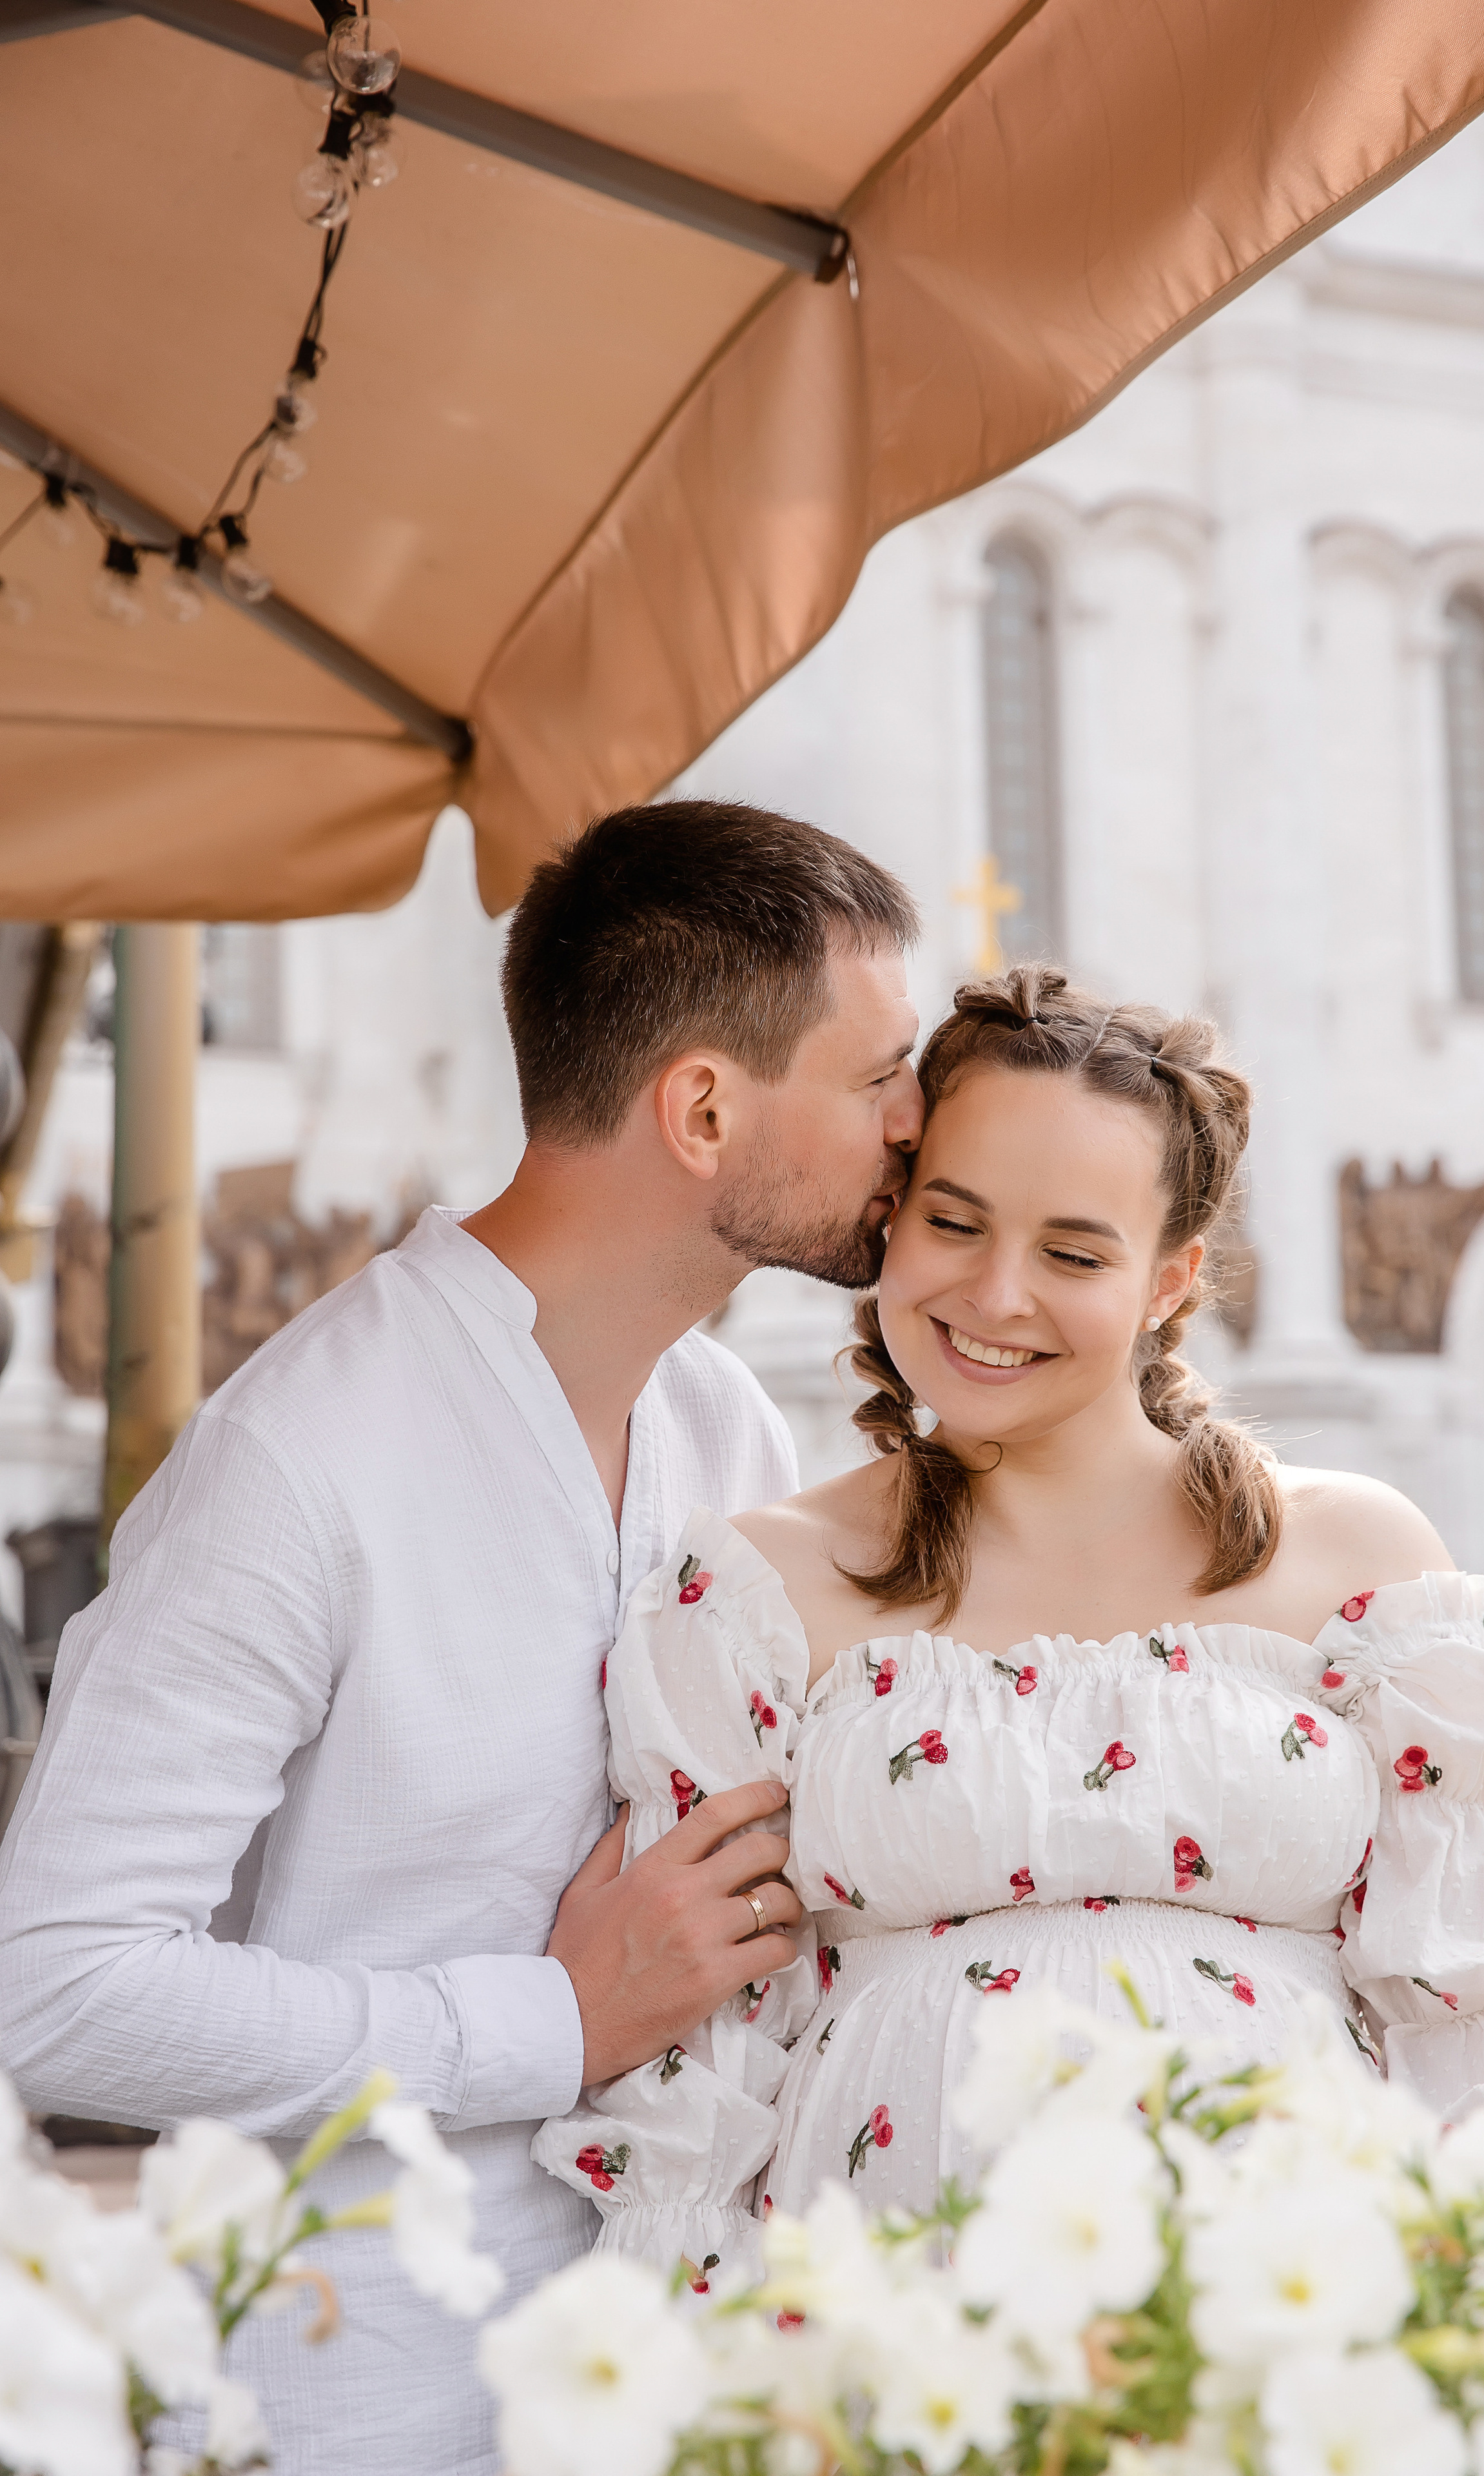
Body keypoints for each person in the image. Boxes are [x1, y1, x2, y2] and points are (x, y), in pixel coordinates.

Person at [0, 801, 922, 2476]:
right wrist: (548, 2021)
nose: (919, 1127)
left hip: (680, 2378)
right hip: (353, 2398)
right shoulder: (301, 1455)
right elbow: (55, 1985)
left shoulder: (729, 1433)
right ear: (704, 1107)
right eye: (880, 1078)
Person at [534, 966, 1484, 2281]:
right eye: (953, 1223)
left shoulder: (1357, 1563)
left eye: (1071, 1253)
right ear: (889, 1221)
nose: (996, 1297)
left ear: (1170, 1279)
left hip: (1288, 2329)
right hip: (891, 2347)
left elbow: (1477, 2008)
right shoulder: (756, 1592)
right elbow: (693, 2074)